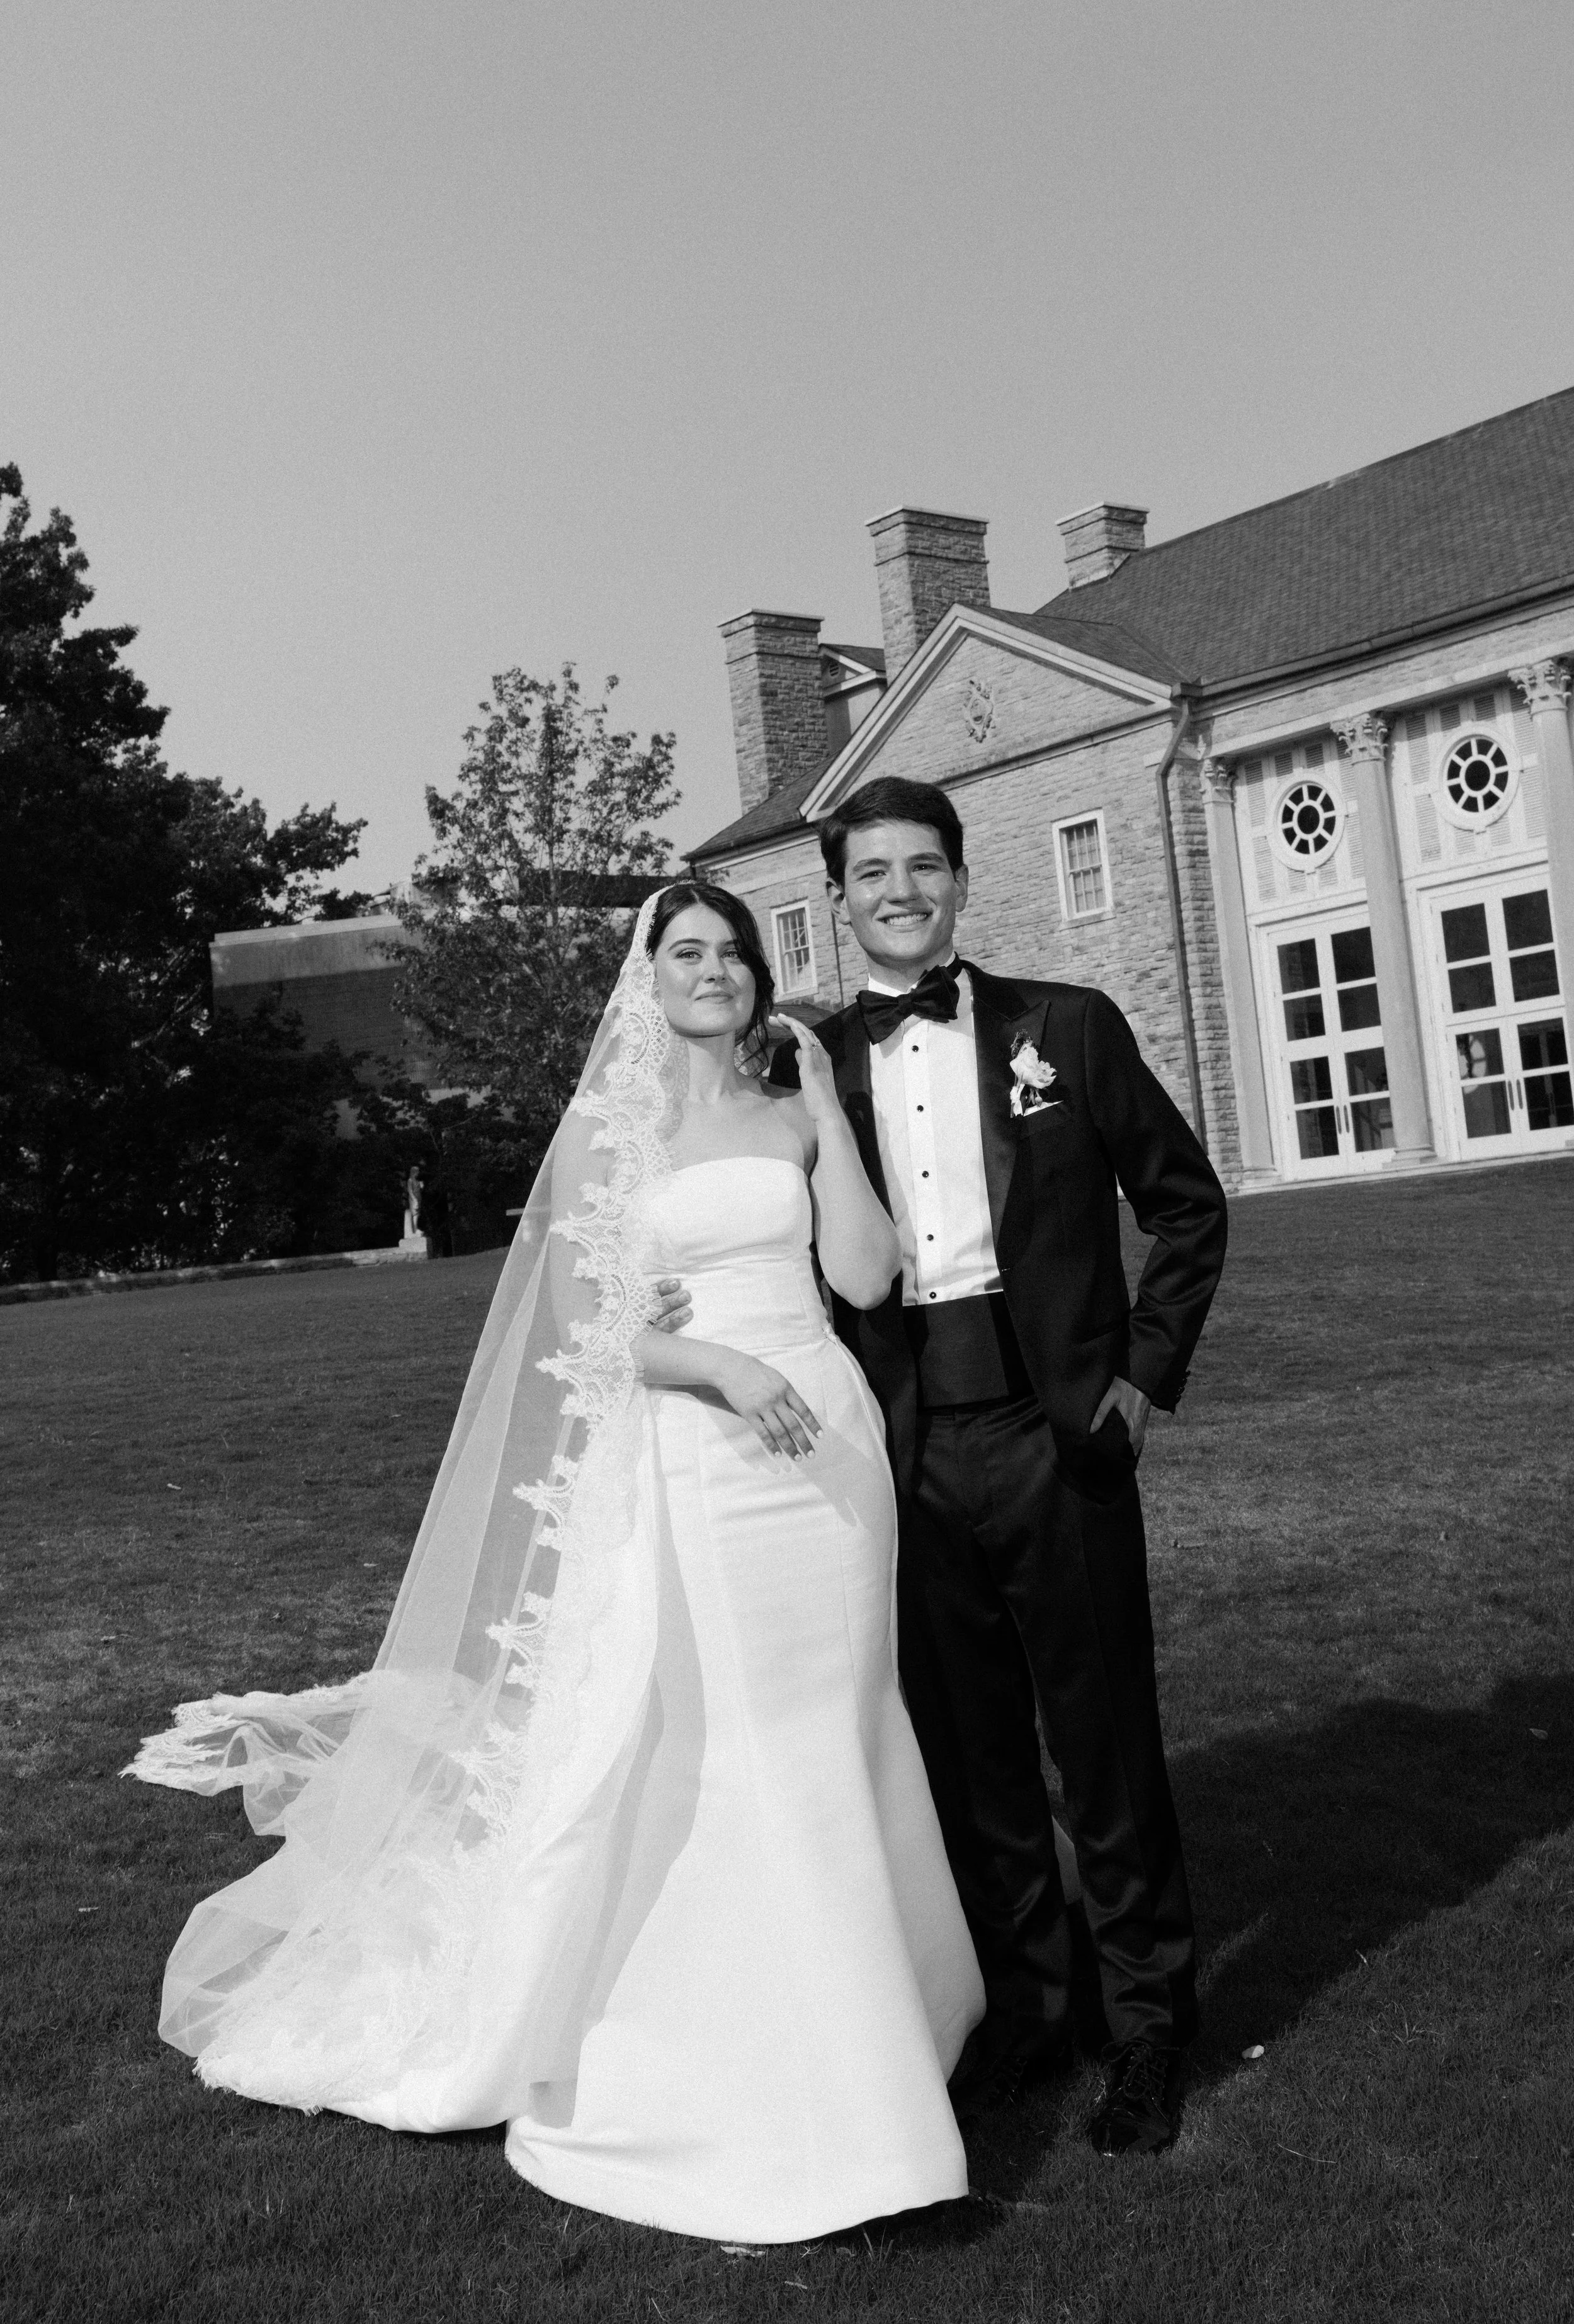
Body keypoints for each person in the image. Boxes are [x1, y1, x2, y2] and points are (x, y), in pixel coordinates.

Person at [124, 881, 984, 2245]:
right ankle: (766, 2074)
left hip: (831, 1450)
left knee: (847, 1722)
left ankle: (895, 2014)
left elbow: (870, 1280)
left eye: (730, 953)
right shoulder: (606, 1129)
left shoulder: (781, 1105)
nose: (711, 971)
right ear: (645, 978)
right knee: (746, 1743)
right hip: (706, 1452)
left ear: (760, 976)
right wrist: (709, 1358)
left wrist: (824, 1108)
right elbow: (579, 1337)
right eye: (683, 953)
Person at [735, 776, 1228, 2156]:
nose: (899, 889)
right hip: (894, 1454)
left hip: (1055, 1434)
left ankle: (1145, 2028)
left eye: (923, 866)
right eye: (870, 871)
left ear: (958, 879)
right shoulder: (809, 1066)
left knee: (1103, 1746)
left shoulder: (1064, 1027)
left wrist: (1140, 1379)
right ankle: (1029, 2006)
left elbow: (1184, 1206)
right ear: (837, 896)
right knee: (970, 1759)